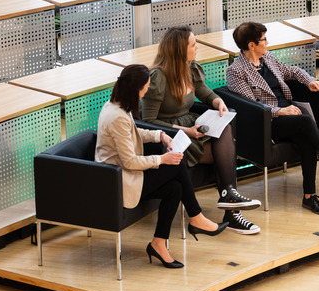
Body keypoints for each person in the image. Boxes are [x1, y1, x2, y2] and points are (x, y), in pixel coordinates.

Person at [96, 64, 228, 269]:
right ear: (136, 89)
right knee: (176, 164)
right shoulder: (117, 116)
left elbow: (133, 133)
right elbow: (129, 161)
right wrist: (161, 160)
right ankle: (196, 217)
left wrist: (160, 135)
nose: (147, 90)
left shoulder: (117, 105)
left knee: (174, 189)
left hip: (127, 174)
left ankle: (159, 243)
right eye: (146, 87)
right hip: (119, 180)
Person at [226, 22, 319, 215]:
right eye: (263, 39)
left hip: (290, 115)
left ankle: (309, 197)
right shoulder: (236, 71)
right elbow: (252, 105)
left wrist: (310, 81)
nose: (267, 42)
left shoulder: (268, 58)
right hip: (267, 121)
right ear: (251, 45)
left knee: (307, 139)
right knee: (306, 121)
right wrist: (280, 112)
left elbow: (292, 71)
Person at [140, 25, 261, 235]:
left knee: (224, 130)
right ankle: (231, 207)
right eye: (193, 45)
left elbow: (204, 91)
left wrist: (218, 102)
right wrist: (186, 131)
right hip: (169, 136)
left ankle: (229, 197)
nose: (197, 48)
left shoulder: (190, 67)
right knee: (223, 151)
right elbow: (148, 121)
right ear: (179, 49)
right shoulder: (158, 78)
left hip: (191, 126)